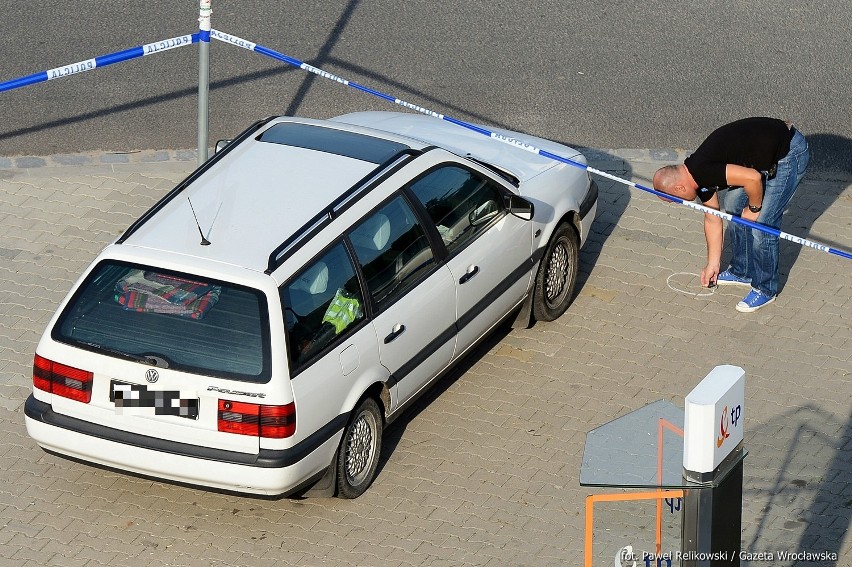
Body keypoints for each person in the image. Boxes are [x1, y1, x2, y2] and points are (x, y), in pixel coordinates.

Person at [653, 117, 810, 312]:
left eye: (675, 199)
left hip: (788, 152)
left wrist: (754, 209)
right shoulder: (697, 179)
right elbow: (712, 218)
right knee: (733, 204)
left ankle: (765, 289)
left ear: (679, 186)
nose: (680, 203)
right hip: (762, 154)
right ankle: (742, 271)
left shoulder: (703, 171)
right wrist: (712, 264)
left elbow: (752, 178)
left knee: (762, 225)